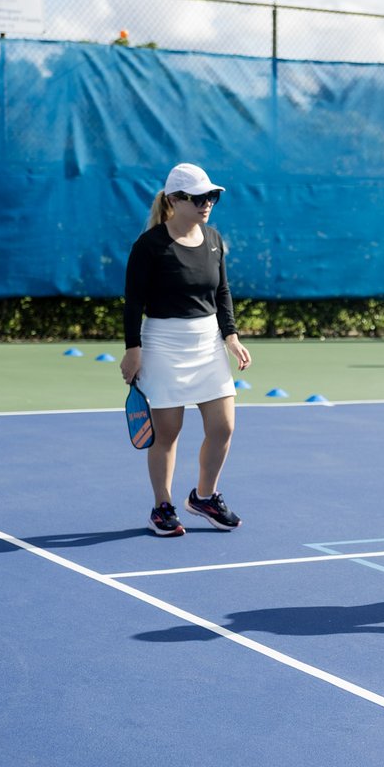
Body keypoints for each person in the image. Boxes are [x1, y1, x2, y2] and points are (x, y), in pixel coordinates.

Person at [120, 163, 252, 536]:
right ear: (174, 200)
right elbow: (133, 302)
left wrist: (231, 336)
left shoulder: (213, 238)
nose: (206, 203)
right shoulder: (149, 246)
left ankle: (204, 497)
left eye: (211, 196)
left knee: (223, 426)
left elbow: (221, 292)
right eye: (197, 197)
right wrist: (133, 349)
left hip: (207, 342)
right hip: (163, 343)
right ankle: (162, 506)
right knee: (168, 432)